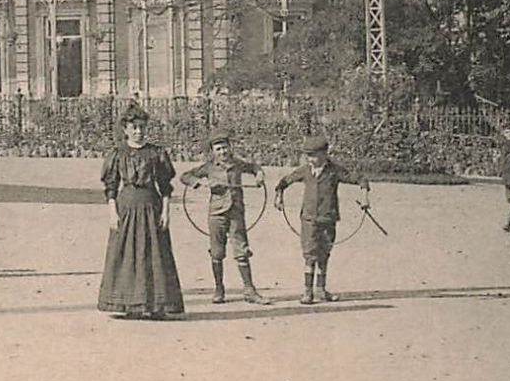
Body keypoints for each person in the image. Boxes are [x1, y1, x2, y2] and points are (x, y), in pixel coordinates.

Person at [97, 102, 185, 319]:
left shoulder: (156, 153)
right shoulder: (118, 153)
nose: (138, 131)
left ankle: (156, 305)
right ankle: (130, 305)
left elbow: (165, 186)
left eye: (142, 127)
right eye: (133, 127)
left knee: (154, 254)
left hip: (151, 206)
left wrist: (166, 212)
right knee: (126, 254)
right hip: (126, 207)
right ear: (125, 129)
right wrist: (112, 213)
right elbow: (110, 187)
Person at [275, 134, 371, 304]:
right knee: (310, 254)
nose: (310, 159)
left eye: (314, 155)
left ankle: (321, 290)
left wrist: (364, 197)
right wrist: (279, 197)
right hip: (309, 220)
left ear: (325, 153)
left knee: (324, 254)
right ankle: (307, 292)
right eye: (308, 156)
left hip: (328, 218)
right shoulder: (304, 170)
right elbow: (284, 182)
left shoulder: (334, 171)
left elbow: (360, 179)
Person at [180, 127, 268, 304]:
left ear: (230, 147)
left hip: (236, 212)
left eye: (225, 147)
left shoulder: (238, 164)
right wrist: (198, 183)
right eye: (218, 149)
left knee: (241, 250)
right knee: (217, 252)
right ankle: (219, 289)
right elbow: (185, 176)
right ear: (213, 151)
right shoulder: (209, 167)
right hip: (216, 214)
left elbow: (254, 167)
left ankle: (249, 290)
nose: (223, 152)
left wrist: (259, 175)